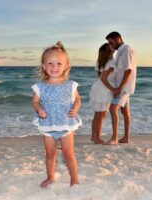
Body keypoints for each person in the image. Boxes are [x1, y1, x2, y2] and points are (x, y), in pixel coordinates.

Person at [31, 41, 82, 188]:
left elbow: (78, 99)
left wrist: (76, 107)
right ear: (43, 66)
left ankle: (74, 178)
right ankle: (50, 176)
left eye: (59, 64)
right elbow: (35, 102)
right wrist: (39, 109)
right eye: (50, 64)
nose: (54, 67)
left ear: (66, 66)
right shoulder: (40, 87)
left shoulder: (71, 85)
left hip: (66, 123)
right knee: (50, 154)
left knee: (69, 154)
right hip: (48, 124)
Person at [106, 31, 137, 144]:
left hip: (124, 87)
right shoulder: (120, 51)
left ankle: (114, 138)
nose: (111, 45)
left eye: (111, 42)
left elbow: (128, 70)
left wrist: (120, 87)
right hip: (123, 86)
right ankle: (126, 138)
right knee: (125, 112)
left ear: (118, 39)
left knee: (113, 108)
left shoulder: (127, 49)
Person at [90, 43, 116, 144]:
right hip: (103, 90)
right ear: (108, 52)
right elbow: (103, 79)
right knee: (100, 115)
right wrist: (113, 89)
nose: (113, 48)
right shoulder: (110, 63)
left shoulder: (105, 62)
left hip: (100, 89)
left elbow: (101, 77)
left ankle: (94, 136)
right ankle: (96, 138)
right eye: (111, 48)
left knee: (99, 114)